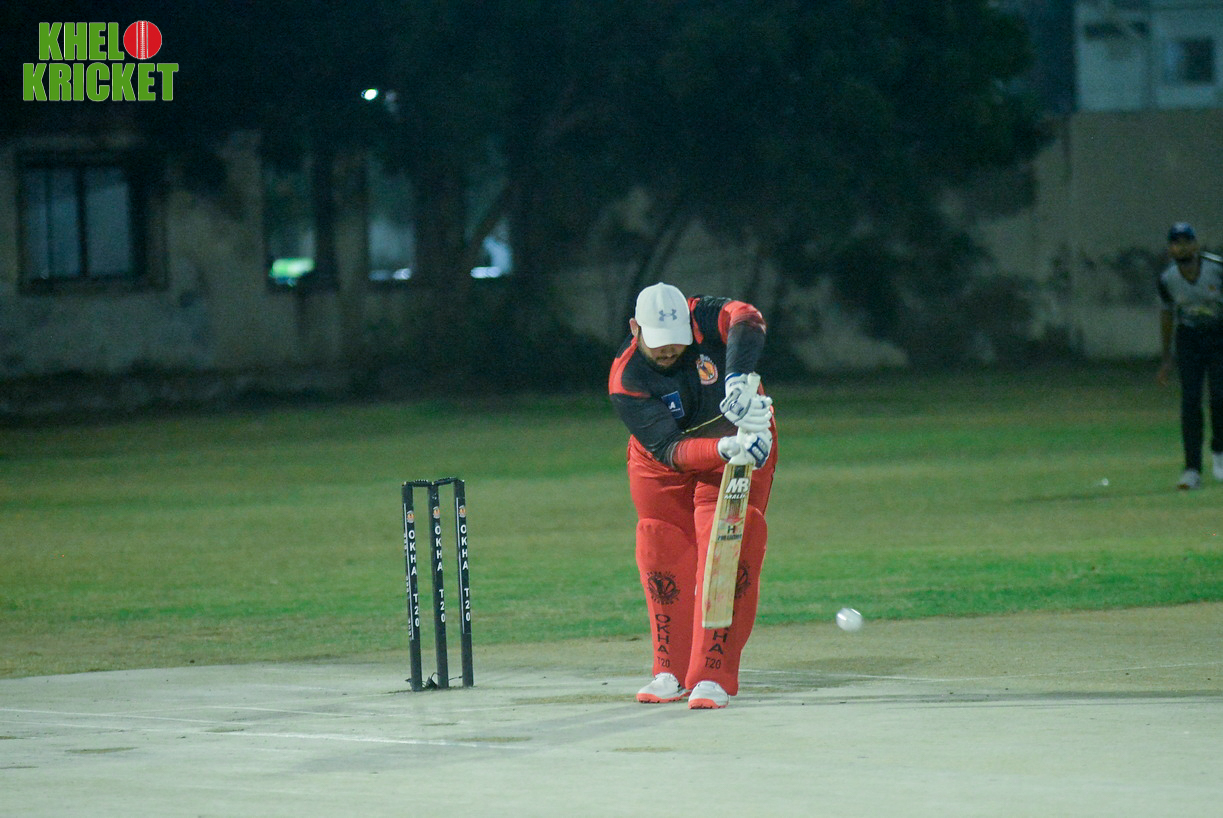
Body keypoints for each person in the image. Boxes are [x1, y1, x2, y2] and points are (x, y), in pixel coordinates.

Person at [608, 282, 777, 709]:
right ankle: (669, 668)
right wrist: (723, 447)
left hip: (738, 443)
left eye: (676, 340)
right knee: (661, 546)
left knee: (726, 550)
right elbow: (669, 450)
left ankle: (712, 674)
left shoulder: (703, 315)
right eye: (658, 342)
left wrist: (737, 380)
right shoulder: (627, 378)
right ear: (635, 329)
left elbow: (747, 318)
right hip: (665, 459)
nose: (669, 350)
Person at [1156, 222, 1223, 490]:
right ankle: (1192, 469)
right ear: (1170, 248)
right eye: (1176, 243)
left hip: (1218, 336)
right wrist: (1166, 358)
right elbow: (1167, 315)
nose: (1181, 247)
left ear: (1196, 245)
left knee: (1220, 396)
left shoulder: (1216, 268)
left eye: (1186, 242)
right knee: (1190, 401)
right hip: (1189, 340)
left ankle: (1220, 451)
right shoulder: (1167, 279)